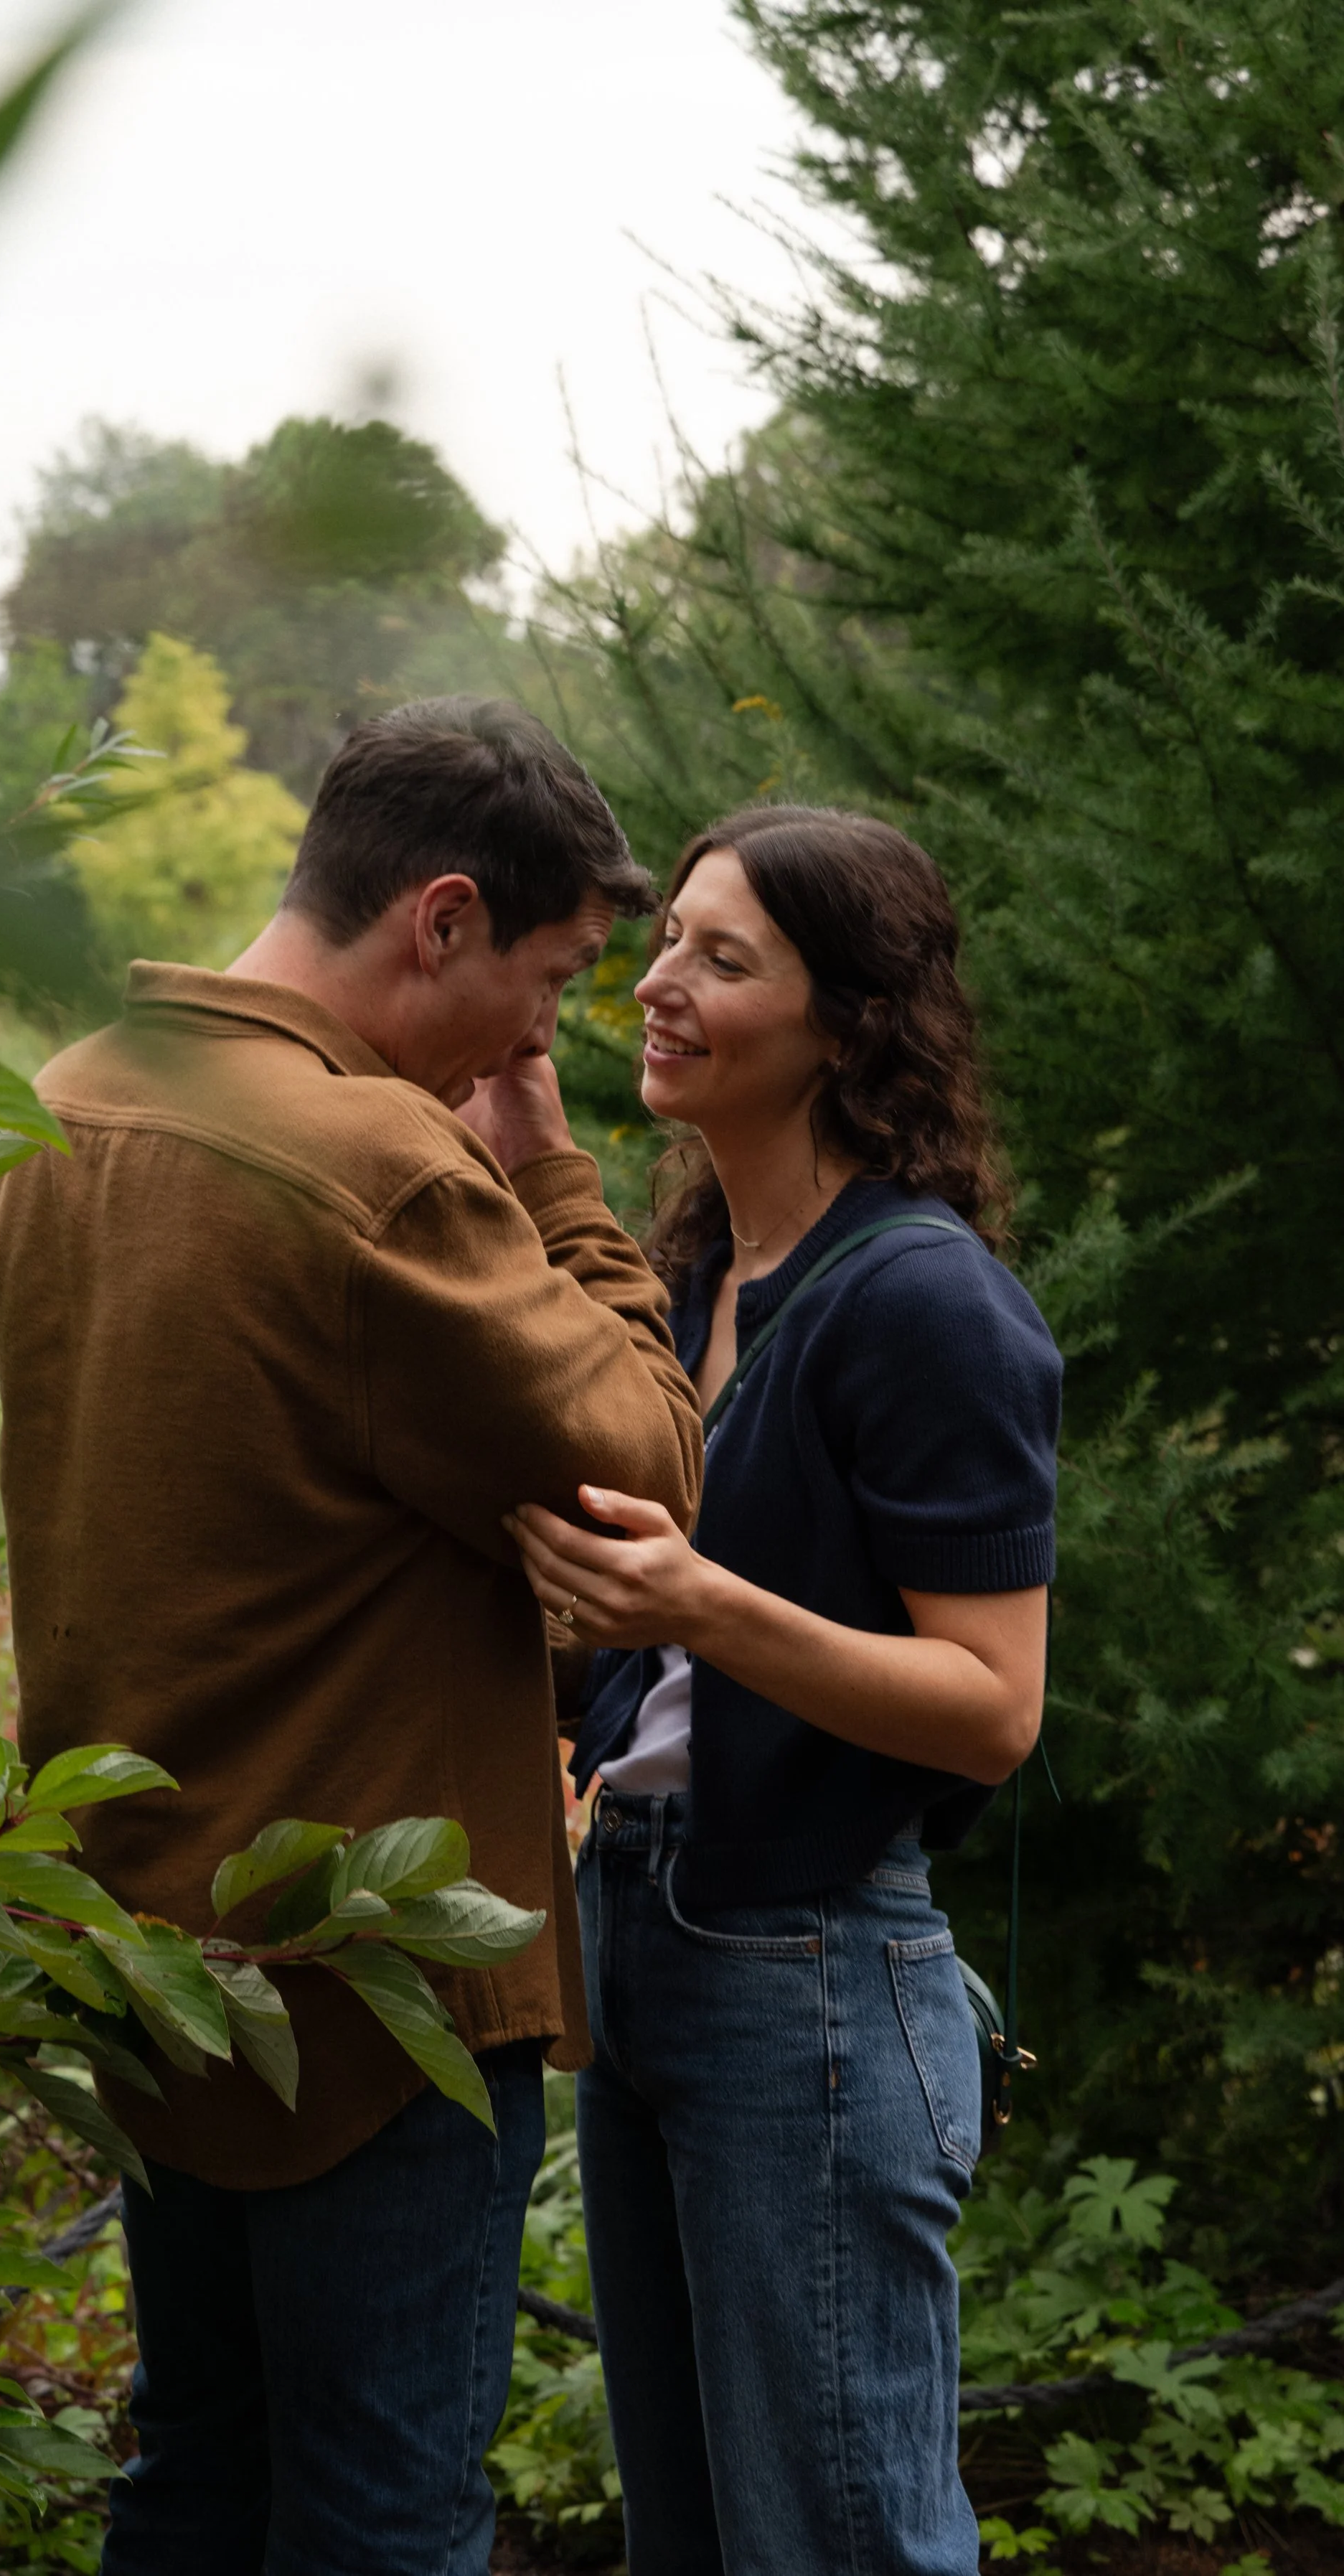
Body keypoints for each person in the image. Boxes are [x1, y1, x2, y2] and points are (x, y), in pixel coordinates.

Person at [0, 697, 704, 2576]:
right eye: (544, 981)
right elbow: (646, 1458)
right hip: (372, 1984)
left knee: (196, 2483)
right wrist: (550, 1176)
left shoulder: (62, 1098)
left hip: (147, 1947)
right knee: (383, 2518)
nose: (544, 1039)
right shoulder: (378, 1166)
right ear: (438, 918)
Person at [505, 805, 1061, 2576]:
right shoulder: (697, 1281)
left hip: (810, 1979)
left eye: (719, 957)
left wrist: (700, 1604)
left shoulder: (921, 1302)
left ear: (849, 1021)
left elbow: (989, 1705)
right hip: (643, 1941)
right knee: (693, 2538)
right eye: (663, 939)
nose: (654, 983)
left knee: (834, 2544)